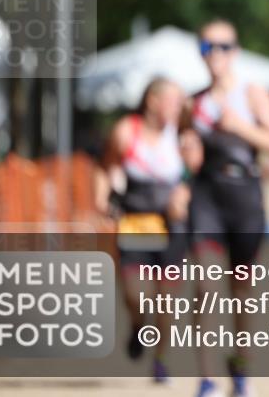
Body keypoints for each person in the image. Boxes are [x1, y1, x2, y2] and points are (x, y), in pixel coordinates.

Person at [187, 18, 269, 397]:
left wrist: (240, 128)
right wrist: (187, 152)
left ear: (235, 51)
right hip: (206, 196)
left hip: (245, 195)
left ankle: (240, 369)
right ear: (199, 52)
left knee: (241, 293)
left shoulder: (252, 94)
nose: (215, 54)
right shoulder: (194, 102)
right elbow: (184, 150)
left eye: (224, 47)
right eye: (207, 47)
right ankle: (205, 378)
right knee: (205, 283)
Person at [97, 77, 196, 384]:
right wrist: (102, 199)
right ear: (152, 101)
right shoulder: (127, 131)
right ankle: (138, 324)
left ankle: (161, 358)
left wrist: (184, 192)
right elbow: (108, 166)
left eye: (182, 102)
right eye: (173, 100)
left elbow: (195, 173)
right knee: (136, 294)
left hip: (172, 225)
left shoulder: (182, 135)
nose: (179, 106)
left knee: (167, 301)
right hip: (136, 221)